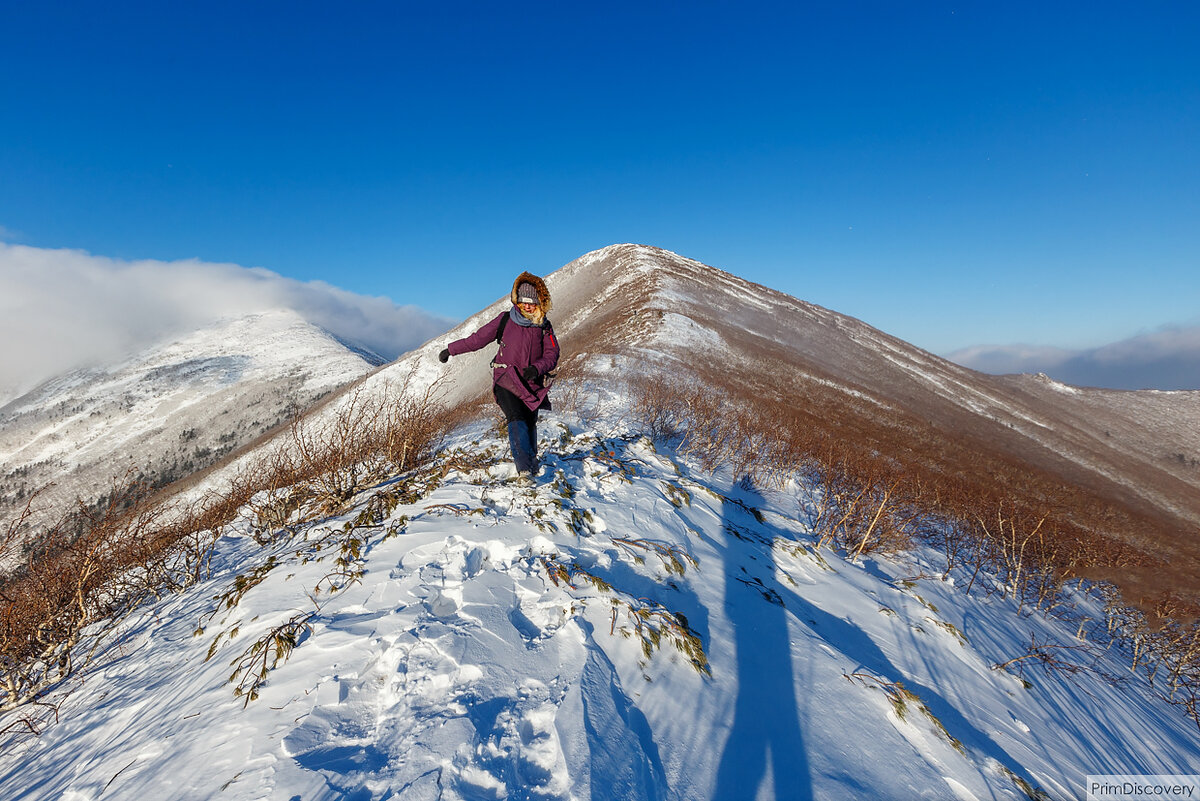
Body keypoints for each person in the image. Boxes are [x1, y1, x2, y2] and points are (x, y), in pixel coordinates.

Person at [439, 272, 559, 481]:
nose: (527, 307)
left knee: (530, 422)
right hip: (506, 378)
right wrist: (451, 350)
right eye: (523, 302)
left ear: (540, 302)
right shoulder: (505, 320)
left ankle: (531, 463)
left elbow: (552, 354)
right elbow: (477, 340)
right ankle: (524, 469)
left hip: (532, 383)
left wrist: (537, 368)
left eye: (532, 303)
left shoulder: (544, 326)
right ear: (517, 301)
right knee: (516, 416)